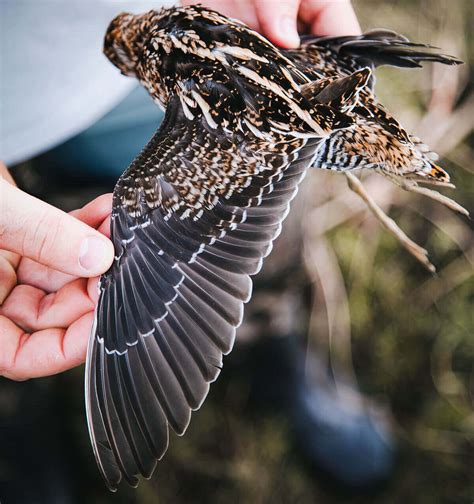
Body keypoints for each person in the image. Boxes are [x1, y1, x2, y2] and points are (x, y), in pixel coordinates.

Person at [1, 0, 394, 494]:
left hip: (127, 62)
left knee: (215, 205)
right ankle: (20, 430)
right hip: (12, 111)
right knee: (22, 291)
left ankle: (269, 342)